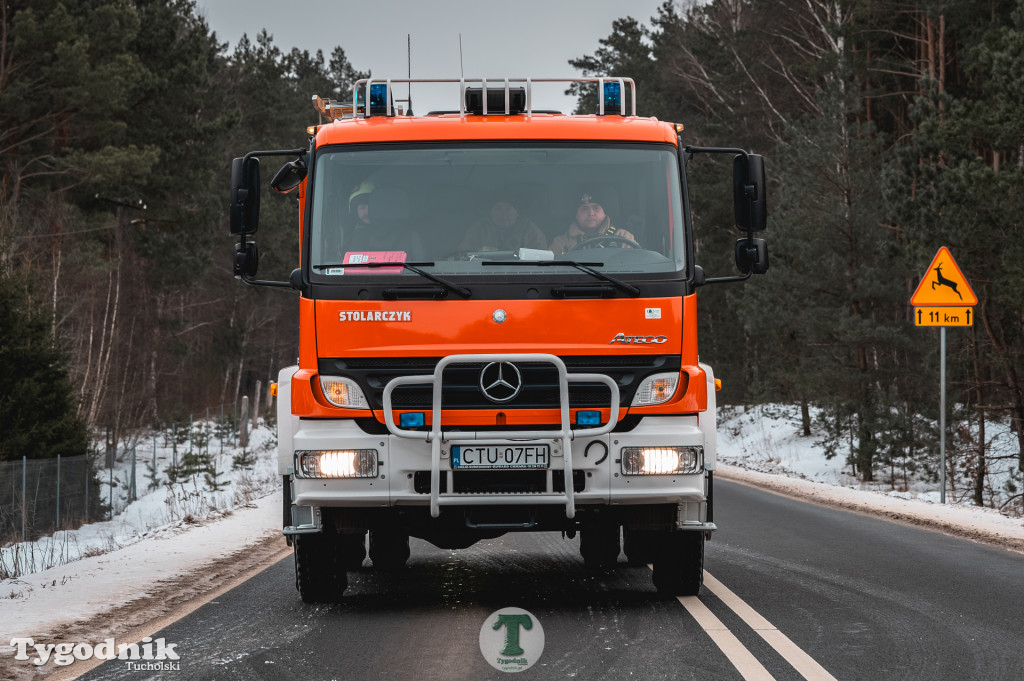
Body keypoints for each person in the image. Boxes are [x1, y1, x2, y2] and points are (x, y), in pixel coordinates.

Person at [550, 187, 636, 255]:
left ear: (604, 213)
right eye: (584, 209)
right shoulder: (561, 242)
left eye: (596, 208)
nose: (591, 213)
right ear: (576, 215)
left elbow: (634, 267)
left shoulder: (623, 237)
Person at [458, 199, 547, 253]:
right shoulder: (479, 229)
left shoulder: (530, 230)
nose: (503, 214)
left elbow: (541, 257)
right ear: (490, 213)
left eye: (508, 209)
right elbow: (464, 254)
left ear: (517, 213)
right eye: (498, 209)